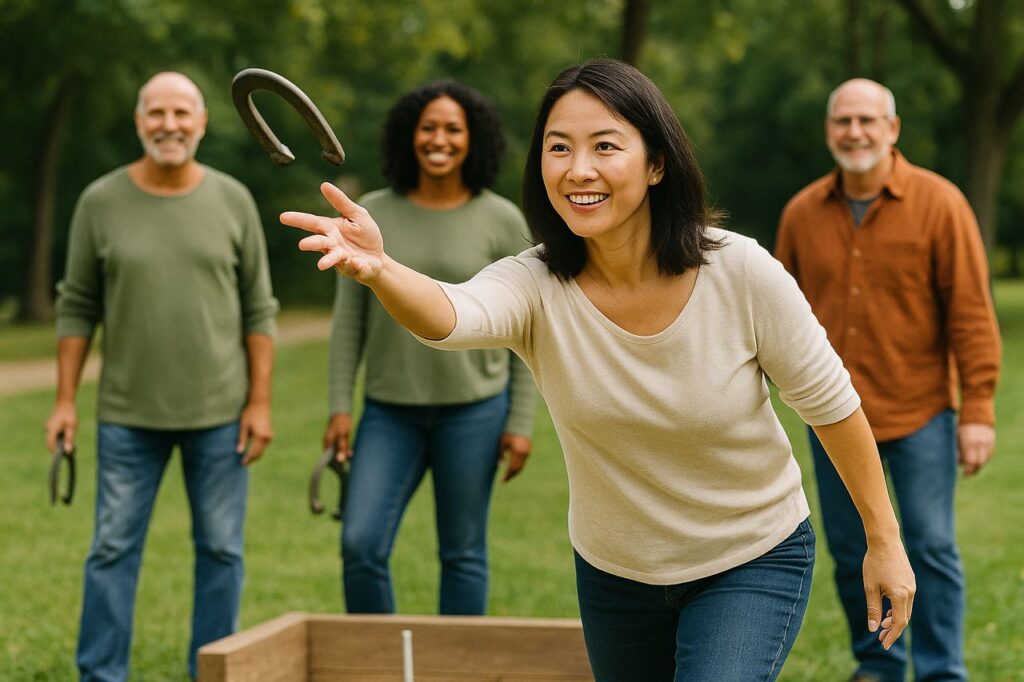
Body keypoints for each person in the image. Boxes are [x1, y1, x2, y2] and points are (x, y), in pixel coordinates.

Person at [282, 59, 915, 681]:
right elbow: (453, 314)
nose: (578, 169)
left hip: (749, 556)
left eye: (605, 146)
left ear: (657, 163)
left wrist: (882, 538)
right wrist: (381, 269)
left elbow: (831, 403)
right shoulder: (536, 283)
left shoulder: (741, 273)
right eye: (559, 148)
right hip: (616, 573)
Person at [45, 72, 278, 682]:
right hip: (127, 415)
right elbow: (76, 306)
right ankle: (101, 674)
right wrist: (64, 402)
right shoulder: (99, 201)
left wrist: (259, 403)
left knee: (222, 552)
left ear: (201, 122)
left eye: (181, 112)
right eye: (156, 112)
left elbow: (259, 309)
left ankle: (213, 672)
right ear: (139, 121)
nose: (169, 124)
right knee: (112, 551)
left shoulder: (233, 200)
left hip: (221, 414)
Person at [775, 78, 1001, 682]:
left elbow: (972, 314)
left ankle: (940, 671)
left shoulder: (941, 204)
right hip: (833, 419)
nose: (855, 132)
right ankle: (877, 665)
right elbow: (777, 319)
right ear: (830, 132)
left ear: (892, 129)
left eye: (868, 121)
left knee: (929, 546)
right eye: (844, 121)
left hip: (920, 411)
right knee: (852, 551)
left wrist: (977, 408)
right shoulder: (801, 214)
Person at [324, 80, 537, 615]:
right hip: (389, 411)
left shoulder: (500, 218)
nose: (439, 139)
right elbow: (349, 321)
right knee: (360, 544)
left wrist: (521, 421)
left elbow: (526, 324)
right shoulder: (372, 212)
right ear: (408, 136)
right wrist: (339, 406)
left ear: (474, 140)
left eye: (453, 129)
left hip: (475, 412)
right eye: (428, 127)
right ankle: (375, 668)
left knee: (462, 553)